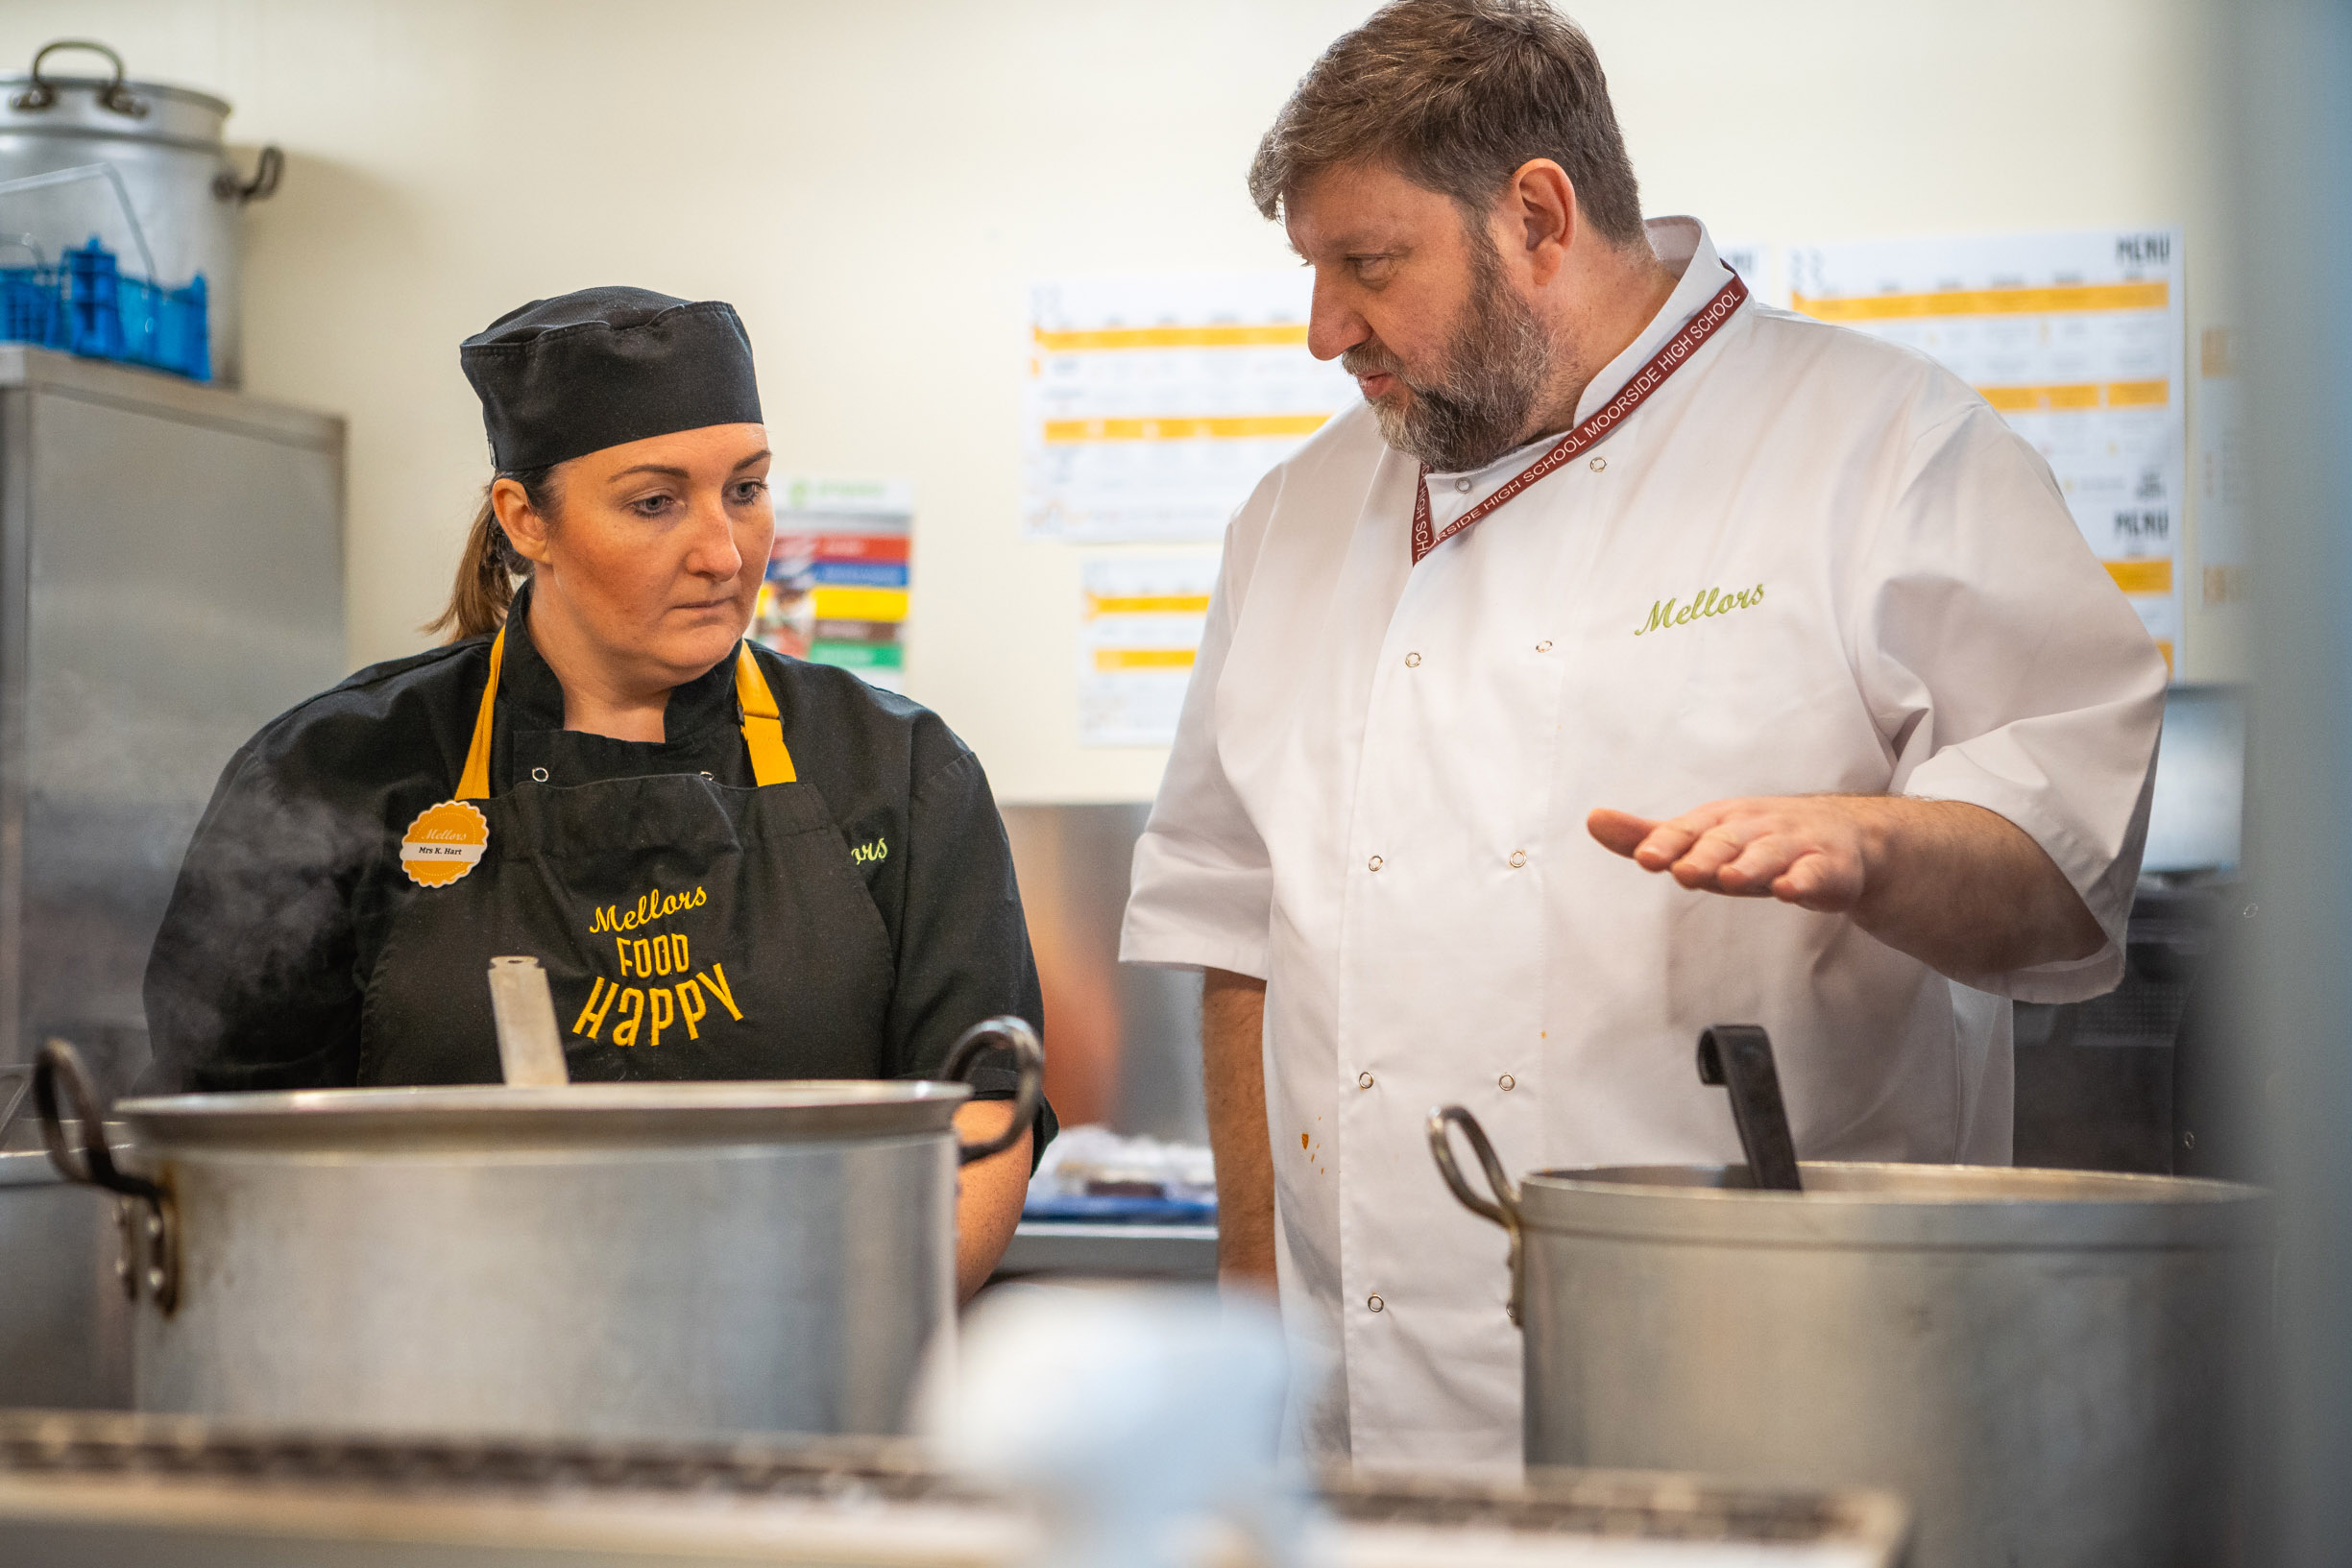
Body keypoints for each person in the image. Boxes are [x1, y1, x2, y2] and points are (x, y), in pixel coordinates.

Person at [1120, 0, 2165, 1467]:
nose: (1321, 334)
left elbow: (2064, 871)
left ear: (1537, 215)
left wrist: (1880, 843)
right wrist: (1250, 1327)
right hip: (1366, 1424)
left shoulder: (1887, 449)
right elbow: (1231, 927)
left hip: (1760, 1393)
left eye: (1367, 266)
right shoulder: (1291, 518)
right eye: (1313, 273)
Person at [145, 287, 1050, 1297]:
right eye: (655, 502)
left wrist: (826, 1345)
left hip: (805, 1391)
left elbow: (983, 1113)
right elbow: (232, 1144)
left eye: (745, 490)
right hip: (428, 1400)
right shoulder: (338, 772)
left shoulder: (898, 770)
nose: (723, 551)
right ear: (526, 518)